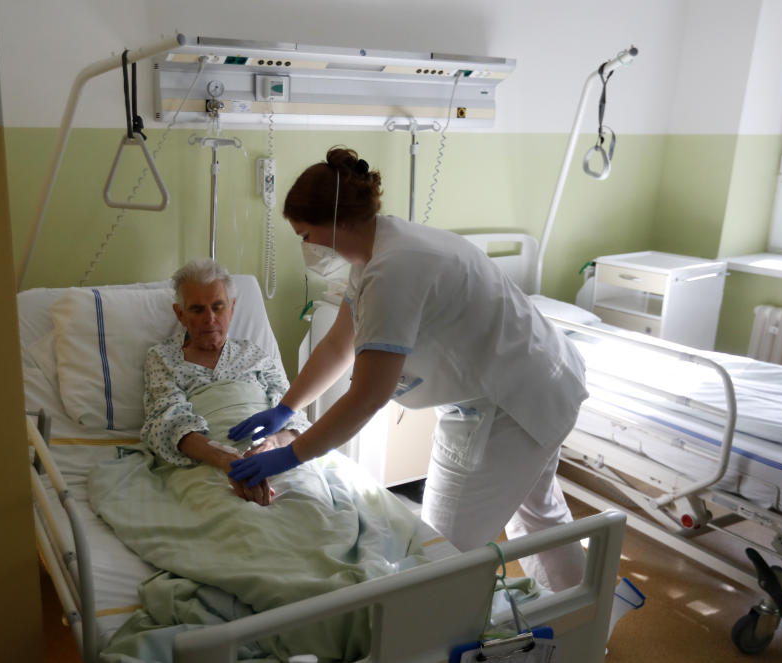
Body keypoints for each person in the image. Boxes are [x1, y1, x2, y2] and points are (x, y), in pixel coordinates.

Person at [228, 147, 588, 590]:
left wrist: (292, 454)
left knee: (436, 552)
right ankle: (587, 626)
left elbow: (367, 396)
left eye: (305, 234)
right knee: (540, 516)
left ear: (334, 223)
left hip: (510, 406)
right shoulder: (377, 251)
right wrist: (285, 408)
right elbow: (339, 345)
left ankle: (440, 645)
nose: (306, 247)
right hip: (534, 382)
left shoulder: (395, 270)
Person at [140, 258, 309, 506]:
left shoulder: (255, 355)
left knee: (312, 505)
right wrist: (227, 461)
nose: (209, 319)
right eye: (197, 309)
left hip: (274, 455)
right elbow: (167, 423)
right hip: (206, 462)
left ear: (232, 308)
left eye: (218, 307)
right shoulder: (162, 358)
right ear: (180, 314)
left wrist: (272, 445)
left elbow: (295, 417)